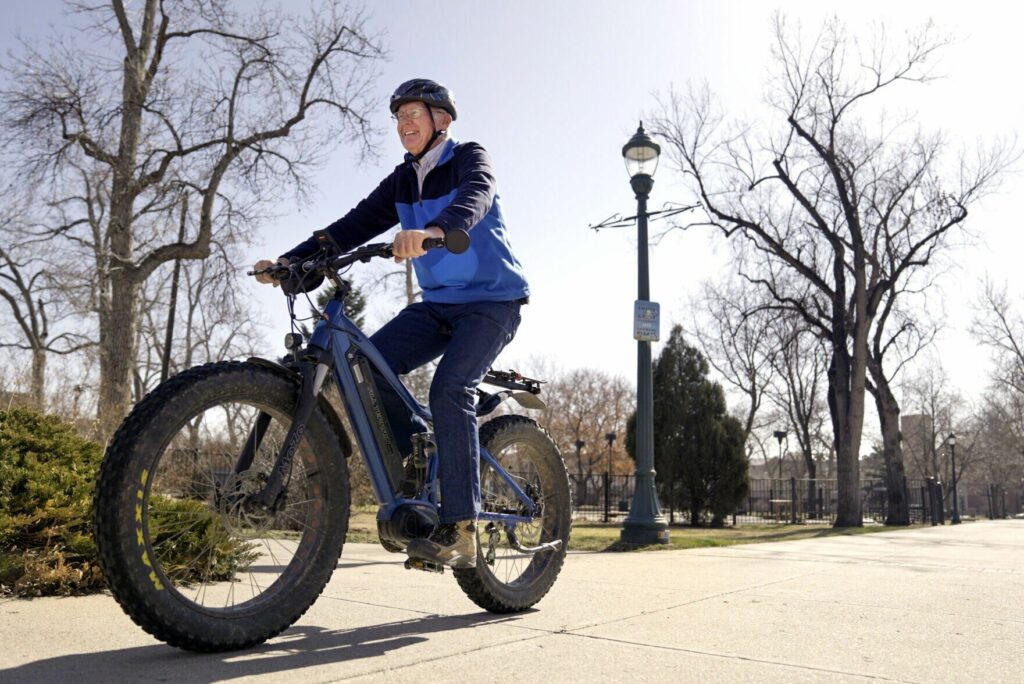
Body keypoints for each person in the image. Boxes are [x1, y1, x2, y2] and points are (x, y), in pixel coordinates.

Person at [253, 79, 529, 569]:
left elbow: (477, 196)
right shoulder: (403, 180)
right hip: (438, 306)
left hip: (492, 302)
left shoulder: (468, 156)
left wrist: (436, 230)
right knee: (367, 365)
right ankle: (416, 461)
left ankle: (462, 529)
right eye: (399, 117)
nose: (404, 124)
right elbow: (351, 225)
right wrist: (290, 261)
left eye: (413, 114)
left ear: (441, 119)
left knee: (450, 388)